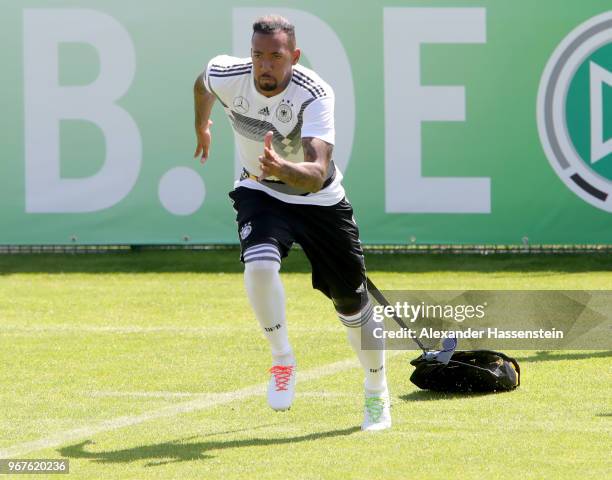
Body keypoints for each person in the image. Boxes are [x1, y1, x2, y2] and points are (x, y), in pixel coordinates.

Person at [193, 15, 390, 431]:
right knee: (260, 265)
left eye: (275, 56)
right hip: (260, 192)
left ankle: (376, 392)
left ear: (294, 57)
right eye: (257, 55)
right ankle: (282, 359)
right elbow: (202, 83)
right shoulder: (231, 75)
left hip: (320, 201)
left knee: (352, 306)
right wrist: (202, 126)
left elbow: (317, 171)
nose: (264, 65)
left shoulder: (314, 93)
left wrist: (283, 166)